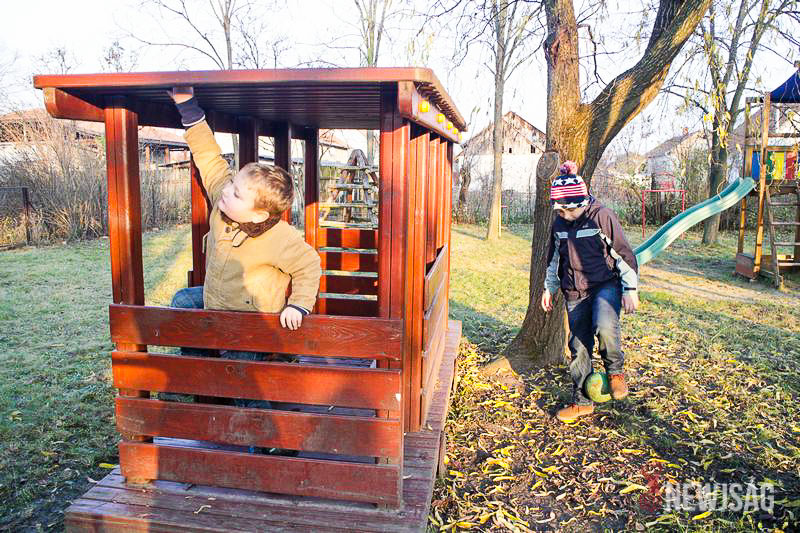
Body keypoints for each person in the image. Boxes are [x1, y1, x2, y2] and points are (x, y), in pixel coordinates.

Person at [167, 86, 321, 415]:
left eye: (237, 194)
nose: (227, 193)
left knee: (242, 381)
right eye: (232, 185)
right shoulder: (223, 205)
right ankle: (200, 372)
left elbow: (309, 265)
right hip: (215, 301)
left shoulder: (280, 237)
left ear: (259, 215)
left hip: (250, 323)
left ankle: (265, 429)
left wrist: (298, 305)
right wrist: (188, 108)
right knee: (182, 302)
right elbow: (209, 159)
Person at [540, 161, 639, 423]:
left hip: (605, 284)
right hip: (574, 291)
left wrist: (630, 289)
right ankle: (582, 402)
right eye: (559, 210)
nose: (563, 215)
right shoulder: (560, 224)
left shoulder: (602, 216)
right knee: (578, 346)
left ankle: (615, 372)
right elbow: (553, 259)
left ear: (581, 203)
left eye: (567, 210)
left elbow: (624, 255)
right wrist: (549, 288)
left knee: (605, 326)